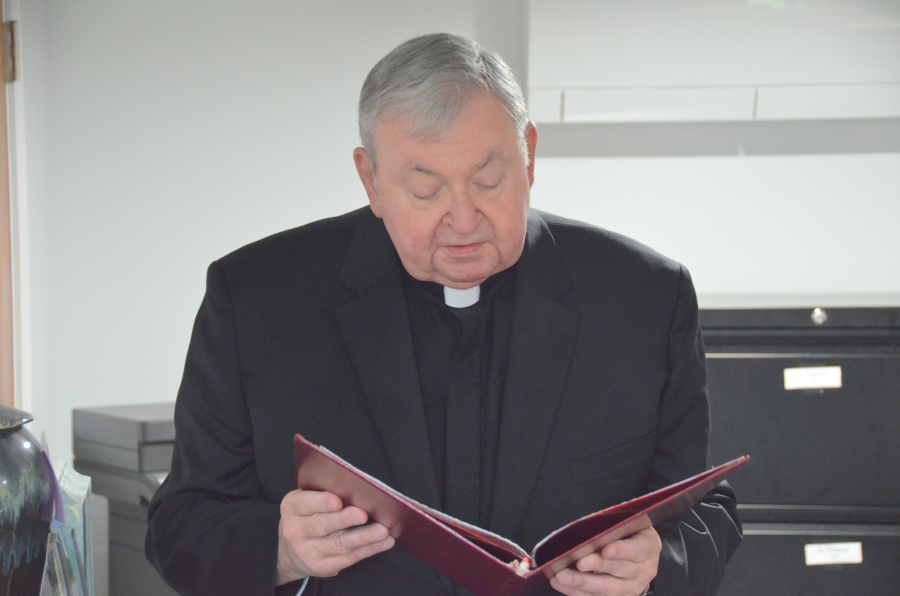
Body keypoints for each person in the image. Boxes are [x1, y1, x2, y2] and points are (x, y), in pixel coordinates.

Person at [146, 33, 741, 596]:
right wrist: (281, 549)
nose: (462, 220)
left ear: (529, 157)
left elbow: (705, 514)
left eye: (488, 179)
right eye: (426, 190)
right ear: (370, 179)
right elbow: (179, 525)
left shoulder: (644, 297)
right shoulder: (256, 299)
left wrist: (656, 561)